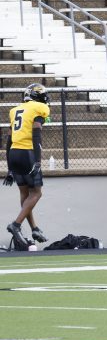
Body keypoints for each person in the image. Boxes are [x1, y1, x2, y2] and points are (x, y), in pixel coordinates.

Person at [4, 83, 51, 248]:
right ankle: (16, 225)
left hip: (13, 153)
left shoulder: (14, 110)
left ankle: (34, 228)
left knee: (25, 194)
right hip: (27, 153)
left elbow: (9, 140)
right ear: (39, 96)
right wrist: (38, 161)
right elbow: (36, 135)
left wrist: (9, 168)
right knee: (36, 193)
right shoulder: (40, 108)